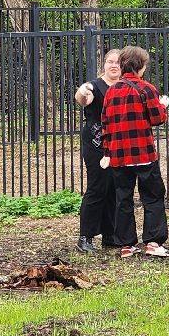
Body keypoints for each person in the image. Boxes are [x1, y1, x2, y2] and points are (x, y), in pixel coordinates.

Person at [100, 45, 169, 258]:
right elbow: (158, 119)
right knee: (153, 196)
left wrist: (107, 152)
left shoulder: (112, 91)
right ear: (140, 66)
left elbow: (106, 124)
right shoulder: (147, 89)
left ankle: (126, 244)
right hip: (143, 153)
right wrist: (163, 106)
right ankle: (153, 241)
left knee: (123, 198)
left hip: (120, 155)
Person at [74, 48, 122, 254]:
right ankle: (85, 236)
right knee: (97, 187)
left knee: (115, 188)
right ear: (104, 64)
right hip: (96, 144)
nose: (114, 65)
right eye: (110, 62)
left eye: (118, 62)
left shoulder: (123, 86)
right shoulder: (94, 85)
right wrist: (82, 93)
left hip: (119, 143)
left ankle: (110, 235)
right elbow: (83, 97)